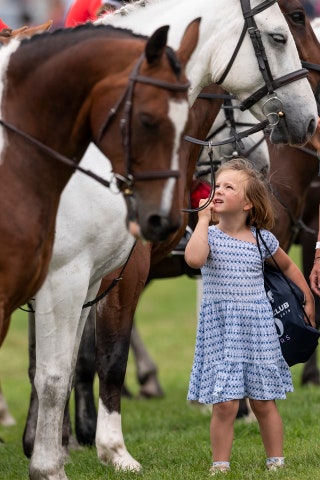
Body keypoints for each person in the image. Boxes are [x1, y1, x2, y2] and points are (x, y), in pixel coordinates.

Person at [184, 158, 315, 475]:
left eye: (229, 187)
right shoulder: (210, 237)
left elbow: (287, 266)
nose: (218, 190)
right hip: (223, 332)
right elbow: (193, 258)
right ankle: (220, 464)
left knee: (264, 402)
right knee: (226, 404)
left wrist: (306, 297)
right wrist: (202, 221)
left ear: (247, 204)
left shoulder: (261, 239)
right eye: (217, 185)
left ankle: (276, 460)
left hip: (258, 330)